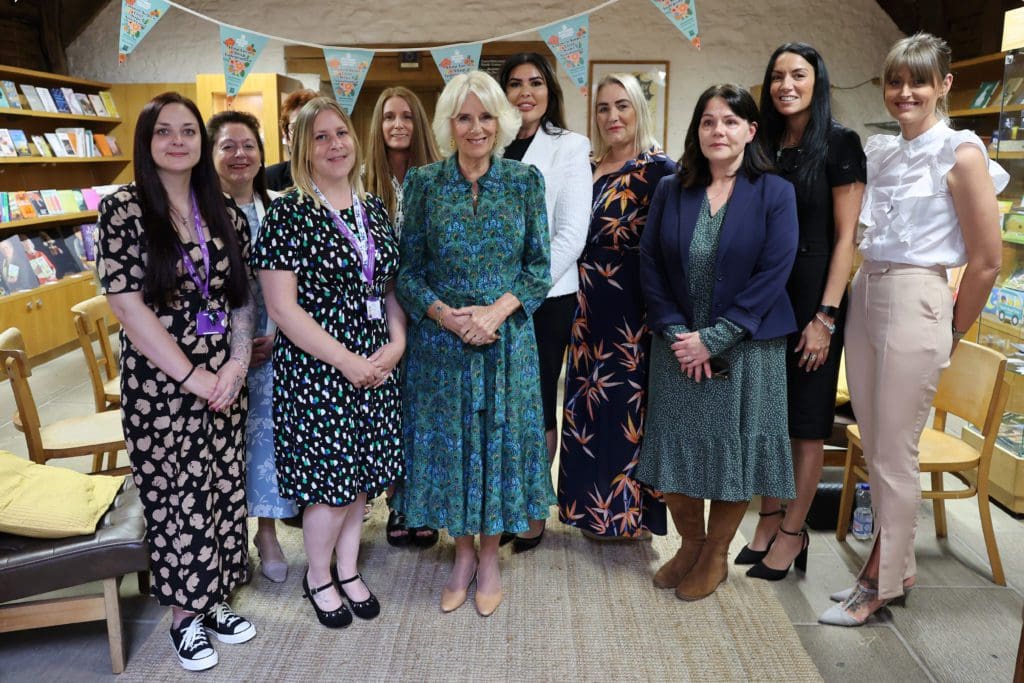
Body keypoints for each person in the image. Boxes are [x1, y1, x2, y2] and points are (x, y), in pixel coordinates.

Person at [820, 33, 1006, 626]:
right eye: (895, 82)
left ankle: (880, 584)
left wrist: (952, 329)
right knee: (877, 448)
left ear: (944, 86)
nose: (905, 93)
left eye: (918, 81)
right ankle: (895, 566)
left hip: (919, 296)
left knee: (894, 455)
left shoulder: (962, 153)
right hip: (868, 289)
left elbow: (987, 260)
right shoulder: (881, 151)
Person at [98, 92, 256, 671]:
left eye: (189, 131)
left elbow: (240, 300)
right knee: (174, 496)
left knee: (221, 490)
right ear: (147, 141)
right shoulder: (123, 210)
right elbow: (126, 305)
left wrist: (235, 367)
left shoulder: (226, 212)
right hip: (164, 388)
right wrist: (193, 376)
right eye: (165, 131)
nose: (178, 141)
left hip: (223, 384)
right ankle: (183, 617)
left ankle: (212, 598)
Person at [395, 71, 552, 617]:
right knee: (451, 449)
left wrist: (495, 312)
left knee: (497, 448)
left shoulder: (526, 181)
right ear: (448, 124)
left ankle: (489, 558)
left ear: (502, 122)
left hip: (506, 342)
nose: (476, 127)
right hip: (441, 345)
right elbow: (408, 274)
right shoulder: (423, 184)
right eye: (465, 117)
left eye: (486, 116)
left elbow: (539, 269)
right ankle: (460, 555)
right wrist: (447, 317)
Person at [637, 83, 799, 601]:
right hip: (678, 346)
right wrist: (677, 333)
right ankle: (690, 544)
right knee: (676, 451)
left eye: (730, 121)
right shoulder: (671, 188)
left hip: (747, 348)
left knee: (734, 454)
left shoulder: (775, 192)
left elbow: (774, 272)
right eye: (708, 121)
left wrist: (717, 338)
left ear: (751, 131)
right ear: (697, 131)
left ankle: (716, 555)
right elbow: (650, 265)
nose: (718, 131)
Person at [253, 97, 405, 628]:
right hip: (321, 368)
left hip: (375, 365)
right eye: (320, 137)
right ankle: (317, 575)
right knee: (329, 483)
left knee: (360, 474)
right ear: (302, 148)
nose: (334, 144)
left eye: (340, 133)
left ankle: (348, 566)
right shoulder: (288, 212)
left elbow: (387, 288)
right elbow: (280, 307)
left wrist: (398, 341)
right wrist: (346, 361)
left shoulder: (374, 209)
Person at [738, 44, 866, 581]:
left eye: (798, 75)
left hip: (816, 296)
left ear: (818, 81)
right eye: (777, 76)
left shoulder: (840, 143)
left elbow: (847, 237)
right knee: (769, 418)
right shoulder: (762, 140)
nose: (786, 85)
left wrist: (826, 316)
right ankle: (767, 520)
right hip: (767, 295)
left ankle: (794, 534)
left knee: (807, 424)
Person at [558, 73, 673, 540]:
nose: (612, 116)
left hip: (632, 311)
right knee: (586, 407)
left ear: (638, 110)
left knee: (628, 410)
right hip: (582, 308)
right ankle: (590, 514)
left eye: (622, 106)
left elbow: (671, 246)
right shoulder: (584, 167)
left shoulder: (660, 170)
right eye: (603, 108)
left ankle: (631, 518)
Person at [495, 52, 591, 553]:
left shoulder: (569, 147)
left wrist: (519, 294)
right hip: (484, 301)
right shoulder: (488, 141)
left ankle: (533, 508)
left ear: (550, 91)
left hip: (545, 298)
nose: (525, 93)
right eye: (514, 84)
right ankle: (500, 501)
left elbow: (572, 234)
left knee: (533, 404)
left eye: (535, 83)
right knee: (496, 405)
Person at [208, 110, 297, 583]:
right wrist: (233, 347)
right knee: (224, 445)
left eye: (248, 145)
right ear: (211, 154)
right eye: (227, 146)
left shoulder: (282, 206)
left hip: (279, 345)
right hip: (215, 353)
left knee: (267, 444)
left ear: (263, 154)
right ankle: (225, 539)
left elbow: (304, 287)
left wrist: (278, 335)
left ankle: (267, 531)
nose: (240, 155)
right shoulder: (198, 212)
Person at [364, 86, 440, 549]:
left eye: (407, 117)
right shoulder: (362, 182)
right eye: (389, 116)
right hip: (380, 313)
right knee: (392, 411)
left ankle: (424, 502)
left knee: (425, 410)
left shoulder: (436, 179)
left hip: (429, 310)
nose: (397, 124)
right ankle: (397, 505)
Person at [265, 88, 319, 191]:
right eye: (297, 127)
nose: (305, 133)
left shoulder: (338, 175)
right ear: (286, 135)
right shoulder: (268, 179)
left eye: (312, 125)